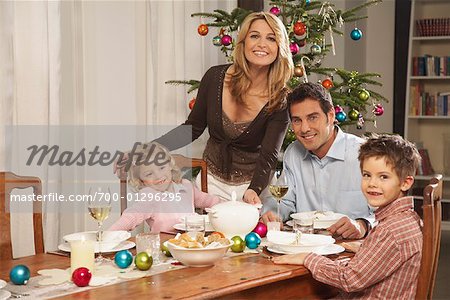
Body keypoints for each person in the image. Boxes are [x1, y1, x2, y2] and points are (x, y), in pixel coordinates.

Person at [138, 12, 294, 203]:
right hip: (209, 183)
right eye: (254, 36)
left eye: (271, 38)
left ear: (280, 47)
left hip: (253, 187)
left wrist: (254, 190)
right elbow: (192, 128)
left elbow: (269, 155)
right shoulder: (215, 77)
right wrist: (151, 148)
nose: (262, 44)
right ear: (243, 42)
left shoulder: (281, 99)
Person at [273, 134, 423, 299]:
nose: (372, 183)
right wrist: (366, 250)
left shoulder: (390, 231)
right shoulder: (407, 219)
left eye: (383, 177)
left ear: (405, 182)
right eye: (367, 175)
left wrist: (308, 258)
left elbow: (350, 279)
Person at [256, 83, 373, 239]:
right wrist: (270, 212)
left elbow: (389, 212)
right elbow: (283, 201)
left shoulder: (364, 154)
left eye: (313, 118)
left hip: (353, 249)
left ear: (331, 116)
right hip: (305, 245)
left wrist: (363, 225)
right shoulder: (293, 153)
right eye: (297, 120)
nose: (304, 128)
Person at [109, 142, 221, 233]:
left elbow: (210, 201)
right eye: (149, 174)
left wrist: (229, 208)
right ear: (140, 180)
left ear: (170, 165)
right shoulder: (150, 196)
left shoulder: (185, 186)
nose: (158, 176)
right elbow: (131, 216)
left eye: (161, 167)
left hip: (192, 245)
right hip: (164, 250)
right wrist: (108, 235)